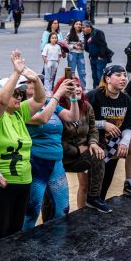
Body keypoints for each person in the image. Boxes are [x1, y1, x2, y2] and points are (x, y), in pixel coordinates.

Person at [0, 51, 46, 244]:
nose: (19, 97)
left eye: (21, 93)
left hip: (23, 181)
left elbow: (40, 100)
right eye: (15, 94)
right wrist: (15, 74)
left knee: (14, 231)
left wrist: (35, 80)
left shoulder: (19, 113)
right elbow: (0, 101)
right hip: (0, 183)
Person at [23, 78, 79, 229]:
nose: (35, 85)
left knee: (62, 207)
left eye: (37, 82)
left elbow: (72, 117)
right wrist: (58, 93)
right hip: (36, 161)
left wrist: (73, 97)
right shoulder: (22, 107)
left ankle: (56, 241)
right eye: (29, 82)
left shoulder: (50, 103)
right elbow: (43, 118)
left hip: (56, 161)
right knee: (32, 210)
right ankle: (21, 244)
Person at [89, 65, 131, 201]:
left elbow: (128, 126)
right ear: (108, 78)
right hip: (94, 142)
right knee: (89, 186)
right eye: (118, 75)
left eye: (124, 76)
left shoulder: (125, 99)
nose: (123, 78)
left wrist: (124, 142)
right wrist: (103, 124)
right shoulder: (94, 95)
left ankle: (130, 185)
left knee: (105, 182)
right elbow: (83, 121)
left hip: (113, 144)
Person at [59, 77, 110, 212]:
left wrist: (93, 143)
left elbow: (93, 129)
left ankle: (93, 197)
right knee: (58, 196)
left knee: (98, 154)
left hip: (82, 152)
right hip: (61, 155)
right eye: (71, 86)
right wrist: (76, 150)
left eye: (78, 85)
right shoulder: (56, 108)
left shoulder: (86, 107)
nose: (76, 89)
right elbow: (56, 138)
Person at [82, 21, 112, 89]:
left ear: (89, 27)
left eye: (83, 28)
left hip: (100, 59)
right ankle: (95, 90)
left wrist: (101, 56)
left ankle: (102, 89)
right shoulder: (86, 34)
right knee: (94, 75)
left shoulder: (97, 32)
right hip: (92, 58)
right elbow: (88, 47)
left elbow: (103, 45)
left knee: (100, 75)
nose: (82, 29)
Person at [66, 20, 88, 89]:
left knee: (82, 72)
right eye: (76, 24)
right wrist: (73, 46)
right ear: (74, 25)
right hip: (72, 54)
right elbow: (65, 44)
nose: (78, 25)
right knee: (70, 71)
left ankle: (83, 88)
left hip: (80, 54)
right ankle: (70, 87)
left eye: (80, 24)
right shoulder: (70, 33)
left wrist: (82, 46)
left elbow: (86, 45)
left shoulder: (83, 34)